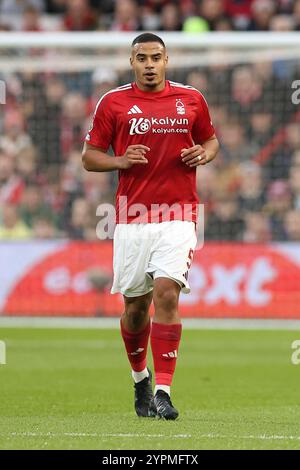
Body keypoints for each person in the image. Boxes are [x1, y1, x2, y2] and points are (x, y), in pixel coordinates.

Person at [82, 32, 219, 420]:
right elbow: (90, 158)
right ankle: (140, 378)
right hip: (131, 218)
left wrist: (203, 155)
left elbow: (211, 141)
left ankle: (163, 390)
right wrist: (121, 161)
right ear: (132, 63)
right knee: (136, 308)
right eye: (141, 58)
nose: (148, 64)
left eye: (155, 57)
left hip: (179, 213)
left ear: (166, 60)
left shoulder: (191, 99)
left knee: (167, 293)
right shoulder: (113, 102)